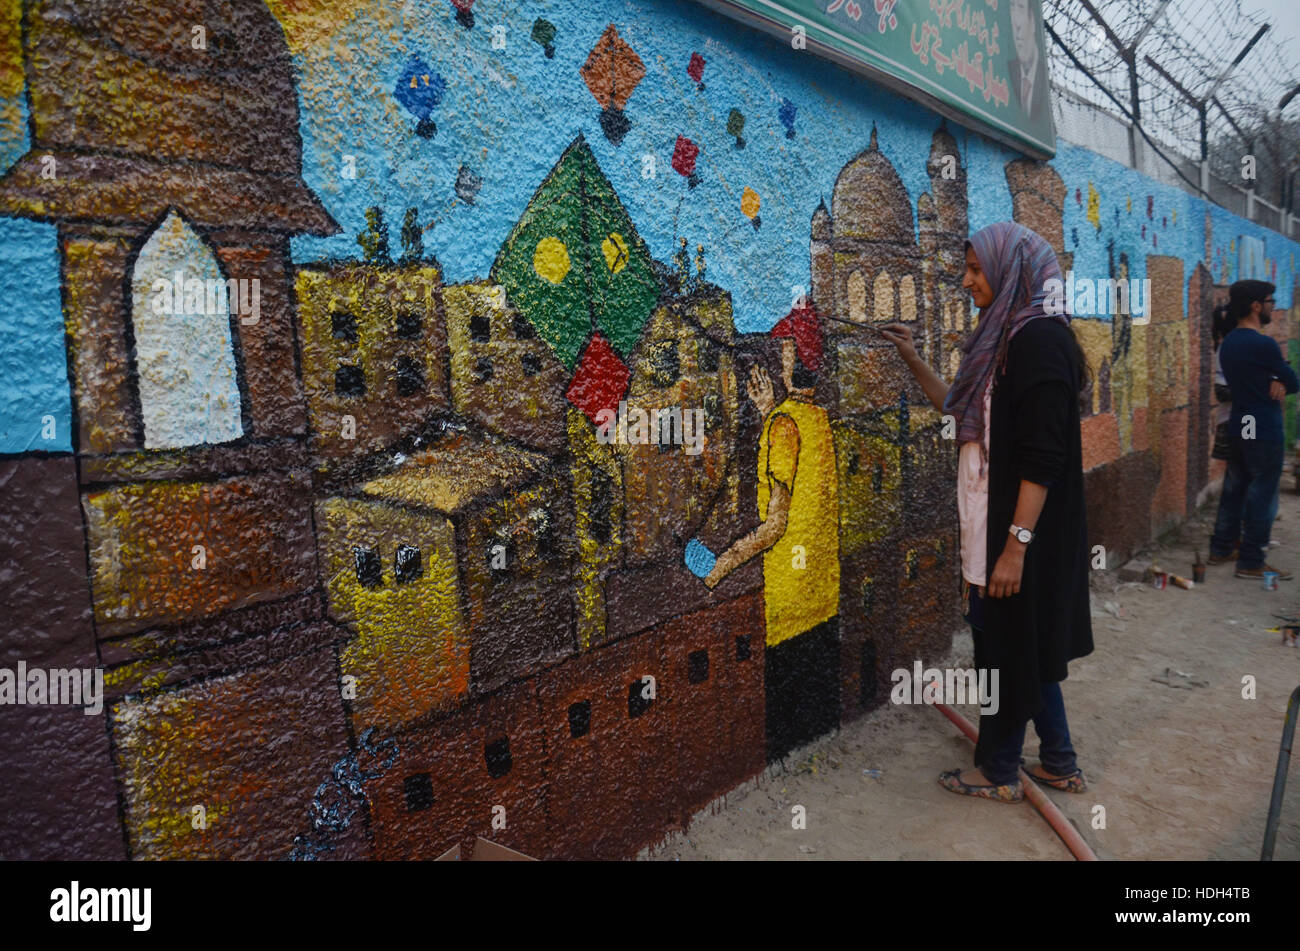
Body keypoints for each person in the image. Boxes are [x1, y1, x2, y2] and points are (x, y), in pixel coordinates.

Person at [880, 221, 1093, 803]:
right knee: (1025, 644)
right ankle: (1058, 761)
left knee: (1000, 651)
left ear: (1011, 272)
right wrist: (912, 356)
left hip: (1021, 538)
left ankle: (998, 771)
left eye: (977, 270)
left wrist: (1015, 548)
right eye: (967, 268)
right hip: (997, 529)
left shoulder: (1038, 343)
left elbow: (1043, 458)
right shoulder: (1002, 337)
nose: (966, 280)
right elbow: (958, 409)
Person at [698, 300, 841, 763]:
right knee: (818, 727)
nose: (775, 354)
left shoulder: (783, 426)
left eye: (781, 348)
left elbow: (776, 525)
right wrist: (767, 413)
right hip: (823, 596)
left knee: (786, 737)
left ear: (792, 359)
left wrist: (720, 565)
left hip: (789, 607)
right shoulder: (816, 420)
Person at [1208, 280, 1297, 578]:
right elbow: (1294, 381)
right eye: (1270, 301)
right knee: (1262, 491)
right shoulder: (1264, 344)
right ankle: (1251, 560)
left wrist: (1274, 379)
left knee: (1235, 486)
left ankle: (1221, 547)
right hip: (1262, 424)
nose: (1273, 306)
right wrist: (1280, 379)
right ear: (1256, 306)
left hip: (1242, 422)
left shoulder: (1230, 342)